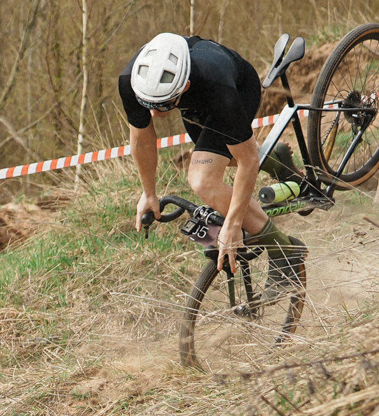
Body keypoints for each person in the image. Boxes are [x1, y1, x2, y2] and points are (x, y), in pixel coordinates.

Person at [122, 32, 304, 293]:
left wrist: (232, 224)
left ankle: (286, 251)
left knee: (203, 179)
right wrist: (148, 192)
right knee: (220, 158)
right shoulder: (132, 81)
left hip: (235, 89)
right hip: (195, 105)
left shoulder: (217, 84)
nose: (152, 112)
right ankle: (278, 162)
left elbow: (248, 160)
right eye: (146, 103)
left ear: (183, 87)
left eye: (161, 105)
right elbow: (142, 139)